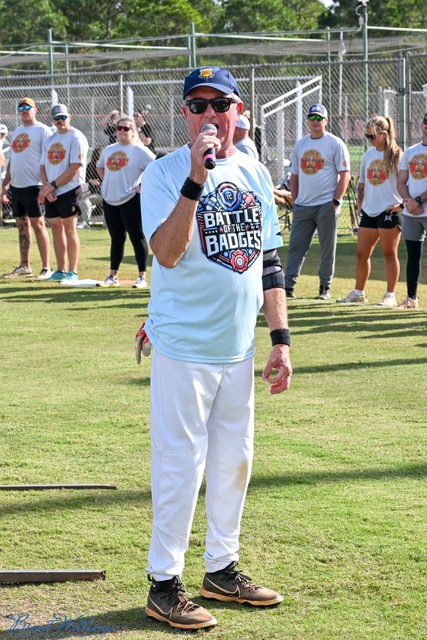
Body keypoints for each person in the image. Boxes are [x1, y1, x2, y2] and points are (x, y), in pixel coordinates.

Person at [138, 65, 292, 631]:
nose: (209, 114)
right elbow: (167, 253)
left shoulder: (254, 171)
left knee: (235, 464)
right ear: (184, 113)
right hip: (184, 348)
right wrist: (195, 181)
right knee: (180, 466)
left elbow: (269, 262)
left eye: (219, 104)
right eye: (198, 105)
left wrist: (280, 340)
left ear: (237, 111)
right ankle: (163, 584)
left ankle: (222, 569)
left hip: (237, 349)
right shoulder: (163, 174)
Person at [284, 104, 351, 300]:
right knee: (296, 247)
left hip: (326, 204)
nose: (315, 121)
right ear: (307, 121)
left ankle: (325, 287)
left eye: (319, 118)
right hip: (303, 205)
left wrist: (336, 201)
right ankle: (288, 286)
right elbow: (294, 175)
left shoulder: (335, 143)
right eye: (312, 118)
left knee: (327, 248)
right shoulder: (301, 144)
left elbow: (345, 174)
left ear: (326, 121)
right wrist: (295, 201)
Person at [337, 115, 403, 306]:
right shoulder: (368, 155)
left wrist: (402, 206)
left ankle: (390, 295)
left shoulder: (398, 155)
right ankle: (359, 292)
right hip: (369, 210)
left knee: (389, 253)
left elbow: (407, 183)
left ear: (384, 134)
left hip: (389, 210)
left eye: (372, 136)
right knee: (361, 253)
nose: (369, 140)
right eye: (366, 136)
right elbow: (362, 182)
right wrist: (360, 203)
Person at [96, 115, 155, 287]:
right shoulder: (109, 149)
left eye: (126, 128)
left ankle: (142, 277)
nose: (122, 131)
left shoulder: (139, 150)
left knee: (137, 237)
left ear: (133, 131)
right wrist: (107, 181)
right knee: (116, 238)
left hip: (130, 199)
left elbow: (156, 166)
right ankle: (112, 276)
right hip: (110, 199)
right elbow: (99, 166)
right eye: (119, 128)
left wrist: (142, 184)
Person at [1, 97, 52, 280]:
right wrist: (5, 185)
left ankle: (46, 267)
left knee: (38, 225)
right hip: (17, 186)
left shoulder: (42, 130)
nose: (24, 111)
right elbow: (12, 160)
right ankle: (25, 266)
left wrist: (46, 185)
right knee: (22, 226)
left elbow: (48, 158)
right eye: (21, 108)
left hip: (34, 185)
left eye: (27, 108)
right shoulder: (17, 132)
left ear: (35, 110)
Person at [39, 104, 88, 282]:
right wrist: (46, 187)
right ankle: (61, 269)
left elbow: (75, 167)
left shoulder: (76, 137)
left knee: (69, 228)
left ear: (69, 117)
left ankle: (73, 271)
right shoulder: (50, 139)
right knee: (55, 228)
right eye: (57, 118)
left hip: (69, 189)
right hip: (51, 190)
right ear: (52, 119)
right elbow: (42, 166)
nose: (60, 121)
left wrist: (52, 186)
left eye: (63, 117)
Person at [396, 111, 427, 309]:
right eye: (426, 122)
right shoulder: (410, 151)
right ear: (421, 125)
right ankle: (411, 298)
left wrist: (418, 200)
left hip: (420, 207)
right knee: (413, 257)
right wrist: (408, 201)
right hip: (412, 212)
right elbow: (401, 180)